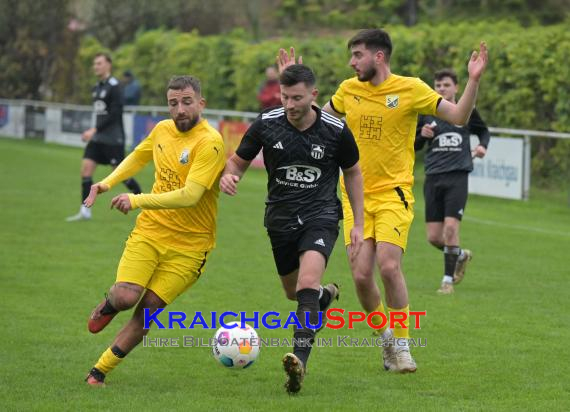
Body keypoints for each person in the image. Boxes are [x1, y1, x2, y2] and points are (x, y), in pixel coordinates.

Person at [278, 29, 488, 373]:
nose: (352, 62)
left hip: (394, 194)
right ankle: (386, 339)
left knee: (389, 265)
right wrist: (294, 86)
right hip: (354, 197)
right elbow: (314, 120)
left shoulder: (411, 89)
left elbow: (459, 116)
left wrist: (473, 80)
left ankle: (403, 347)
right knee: (361, 276)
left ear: (378, 57)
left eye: (357, 55)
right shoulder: (348, 90)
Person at [220, 64, 364, 394]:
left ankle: (299, 361)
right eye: (285, 97)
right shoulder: (267, 124)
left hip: (322, 215)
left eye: (297, 97)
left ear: (314, 95)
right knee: (295, 293)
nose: (290, 104)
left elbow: (353, 173)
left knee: (307, 282)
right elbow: (237, 162)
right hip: (280, 219)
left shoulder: (335, 130)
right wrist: (230, 176)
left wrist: (359, 222)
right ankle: (324, 298)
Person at [82, 75, 225, 386]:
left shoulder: (210, 142)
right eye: (173, 103)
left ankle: (99, 371)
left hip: (190, 247)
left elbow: (190, 196)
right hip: (150, 232)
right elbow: (138, 156)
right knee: (124, 297)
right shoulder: (161, 130)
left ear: (201, 103)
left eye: (187, 102)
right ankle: (109, 304)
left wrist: (136, 199)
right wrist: (106, 183)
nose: (180, 109)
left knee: (147, 309)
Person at [415, 68, 490, 294]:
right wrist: (421, 136)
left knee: (450, 229)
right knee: (434, 237)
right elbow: (414, 145)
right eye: (438, 85)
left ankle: (447, 281)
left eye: (446, 85)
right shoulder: (427, 114)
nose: (441, 89)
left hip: (457, 176)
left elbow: (483, 132)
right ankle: (460, 255)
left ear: (456, 87)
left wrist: (482, 146)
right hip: (433, 177)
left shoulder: (465, 112)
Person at [66, 53, 142, 222]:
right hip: (98, 138)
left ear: (108, 64)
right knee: (86, 170)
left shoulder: (115, 86)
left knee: (120, 175)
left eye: (99, 63)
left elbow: (115, 113)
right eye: (94, 64)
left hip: (113, 139)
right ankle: (85, 211)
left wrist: (94, 129)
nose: (96, 67)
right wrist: (95, 131)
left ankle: (143, 201)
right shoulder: (96, 87)